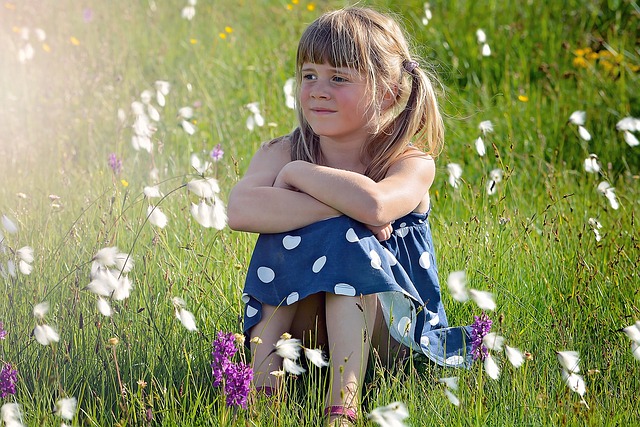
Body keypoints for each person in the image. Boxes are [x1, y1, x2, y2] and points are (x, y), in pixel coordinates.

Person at [227, 6, 471, 426]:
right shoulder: (281, 150)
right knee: (296, 229)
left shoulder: (409, 162)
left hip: (390, 333)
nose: (318, 90)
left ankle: (342, 408)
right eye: (309, 75)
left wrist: (298, 176)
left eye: (339, 78)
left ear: (389, 93)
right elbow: (239, 210)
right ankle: (264, 397)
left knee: (345, 240)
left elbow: (375, 207)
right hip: (304, 334)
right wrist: (335, 203)